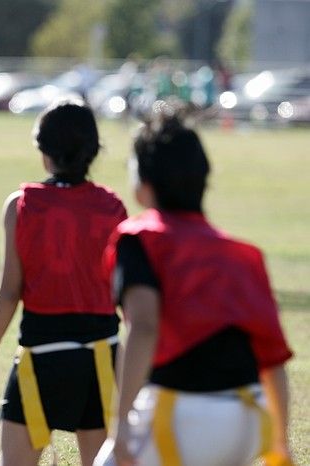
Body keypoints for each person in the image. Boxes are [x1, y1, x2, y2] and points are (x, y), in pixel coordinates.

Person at [94, 113, 295, 466]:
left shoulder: (141, 237)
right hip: (248, 418)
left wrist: (120, 420)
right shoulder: (244, 255)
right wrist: (280, 441)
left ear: (143, 182)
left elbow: (143, 326)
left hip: (185, 411)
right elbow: (273, 358)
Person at [0, 99, 127, 466]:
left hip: (43, 354)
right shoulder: (113, 206)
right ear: (92, 150)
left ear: (44, 152)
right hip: (102, 354)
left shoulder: (23, 204)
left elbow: (10, 291)